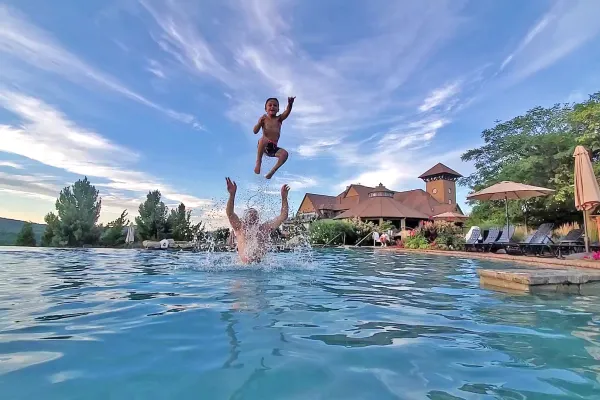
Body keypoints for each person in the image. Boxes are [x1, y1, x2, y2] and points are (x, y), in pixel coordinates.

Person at [225, 177, 290, 264]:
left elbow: (283, 216)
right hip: (243, 269)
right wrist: (232, 195)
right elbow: (230, 213)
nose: (253, 217)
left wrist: (284, 198)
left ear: (258, 219)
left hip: (260, 266)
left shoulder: (264, 228)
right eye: (251, 215)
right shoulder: (239, 228)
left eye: (255, 215)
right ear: (245, 218)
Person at [253, 96, 295, 179]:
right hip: (263, 146)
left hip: (273, 148)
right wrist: (258, 124)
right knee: (263, 139)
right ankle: (258, 163)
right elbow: (255, 131)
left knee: (285, 154)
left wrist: (290, 104)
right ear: (266, 109)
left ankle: (272, 172)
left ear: (278, 109)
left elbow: (287, 112)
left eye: (275, 105)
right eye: (270, 105)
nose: (272, 106)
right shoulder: (264, 118)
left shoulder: (279, 119)